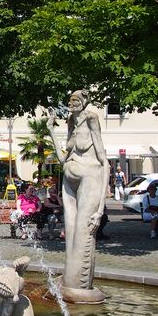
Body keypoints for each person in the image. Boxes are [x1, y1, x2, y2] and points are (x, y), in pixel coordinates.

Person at [47, 90, 108, 303]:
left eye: (75, 100)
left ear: (83, 102)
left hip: (90, 176)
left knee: (84, 233)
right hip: (69, 178)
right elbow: (64, 158)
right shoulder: (71, 121)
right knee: (70, 234)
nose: (71, 103)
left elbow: (104, 161)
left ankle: (80, 287)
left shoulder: (91, 118)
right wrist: (50, 131)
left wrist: (100, 208)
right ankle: (69, 282)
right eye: (69, 100)